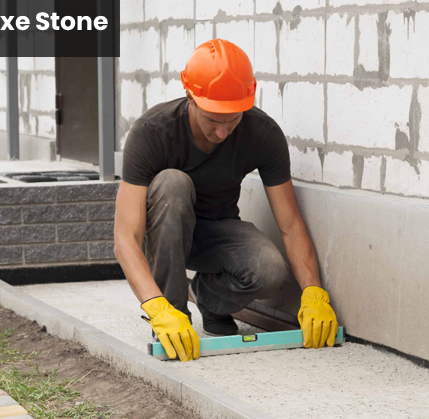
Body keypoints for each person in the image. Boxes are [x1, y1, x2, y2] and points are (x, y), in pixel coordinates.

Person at [113, 38, 339, 362]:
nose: (222, 132)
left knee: (270, 271)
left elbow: (290, 224)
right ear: (190, 95)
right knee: (172, 182)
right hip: (165, 235)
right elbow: (126, 238)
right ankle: (174, 315)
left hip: (217, 234)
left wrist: (315, 292)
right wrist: (155, 306)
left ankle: (207, 298)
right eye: (212, 120)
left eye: (232, 120)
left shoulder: (263, 133)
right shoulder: (152, 133)